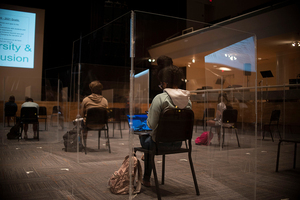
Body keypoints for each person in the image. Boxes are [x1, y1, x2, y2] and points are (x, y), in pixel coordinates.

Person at [140, 65, 192, 187]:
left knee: (143, 137)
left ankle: (146, 178)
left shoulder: (160, 98)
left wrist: (149, 118)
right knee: (150, 140)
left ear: (164, 83)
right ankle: (146, 177)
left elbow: (151, 125)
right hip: (179, 143)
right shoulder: (188, 101)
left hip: (159, 145)